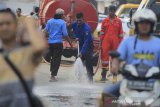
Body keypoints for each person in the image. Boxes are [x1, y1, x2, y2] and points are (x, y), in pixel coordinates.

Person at [103, 9, 160, 97]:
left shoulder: (158, 43)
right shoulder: (127, 42)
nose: (144, 26)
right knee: (106, 95)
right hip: (129, 81)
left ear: (152, 25)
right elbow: (117, 57)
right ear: (136, 24)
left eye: (147, 23)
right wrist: (115, 66)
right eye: (141, 23)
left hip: (153, 83)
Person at [0, 8, 46, 106]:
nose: (4, 27)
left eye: (8, 23)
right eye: (1, 24)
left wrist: (29, 24)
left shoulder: (26, 54)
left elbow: (40, 46)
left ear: (16, 26)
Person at [44, 8, 72, 82]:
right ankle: (53, 76)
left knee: (53, 58)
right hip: (58, 43)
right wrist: (70, 42)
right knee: (57, 59)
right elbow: (65, 34)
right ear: (61, 15)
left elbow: (45, 31)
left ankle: (52, 73)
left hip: (50, 43)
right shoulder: (62, 23)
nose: (64, 16)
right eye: (63, 14)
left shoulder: (50, 21)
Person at [100, 5, 123, 82]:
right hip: (106, 42)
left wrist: (121, 44)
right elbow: (102, 33)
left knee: (115, 59)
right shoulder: (104, 21)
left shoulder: (119, 21)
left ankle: (114, 78)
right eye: (110, 10)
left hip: (115, 42)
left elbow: (121, 34)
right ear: (108, 11)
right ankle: (103, 76)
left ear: (114, 11)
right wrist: (100, 43)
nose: (111, 12)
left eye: (112, 11)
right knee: (104, 59)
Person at [71, 12, 94, 82]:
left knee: (88, 63)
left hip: (88, 46)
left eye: (80, 20)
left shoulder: (87, 29)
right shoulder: (75, 24)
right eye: (77, 20)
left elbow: (86, 42)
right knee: (78, 60)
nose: (78, 22)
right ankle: (78, 79)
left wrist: (82, 52)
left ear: (83, 19)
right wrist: (75, 37)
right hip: (80, 44)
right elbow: (71, 30)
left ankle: (90, 80)